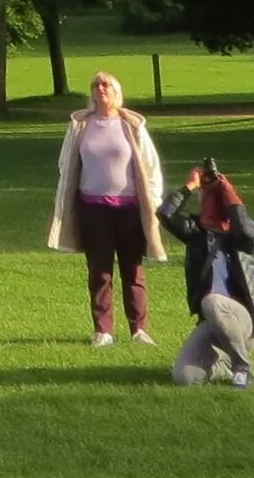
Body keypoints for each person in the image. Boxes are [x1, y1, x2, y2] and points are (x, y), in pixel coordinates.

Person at [47, 70, 167, 346]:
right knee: (99, 271)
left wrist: (155, 199)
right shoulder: (81, 125)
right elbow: (66, 163)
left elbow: (151, 165)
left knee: (133, 270)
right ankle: (104, 330)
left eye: (106, 84)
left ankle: (139, 329)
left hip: (129, 210)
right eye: (96, 85)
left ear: (116, 92)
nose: (100, 88)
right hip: (93, 209)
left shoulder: (131, 125)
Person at [159, 162, 254, 388]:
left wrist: (227, 189)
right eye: (208, 196)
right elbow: (165, 213)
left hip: (245, 322)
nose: (211, 201)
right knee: (185, 377)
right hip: (212, 323)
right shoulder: (196, 232)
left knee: (212, 301)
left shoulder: (242, 236)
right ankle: (226, 364)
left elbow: (245, 230)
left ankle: (243, 368)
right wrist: (190, 186)